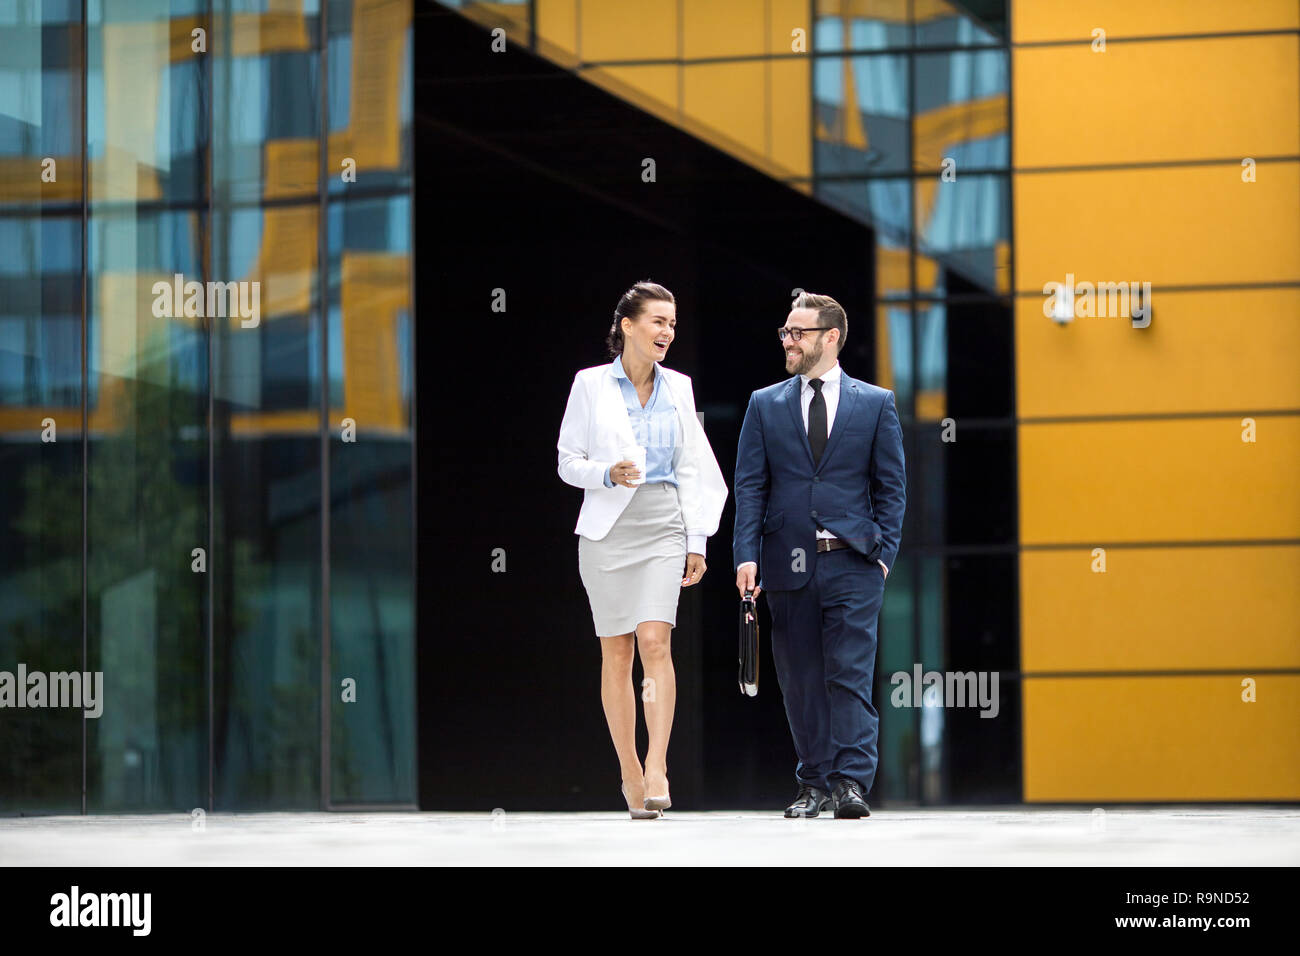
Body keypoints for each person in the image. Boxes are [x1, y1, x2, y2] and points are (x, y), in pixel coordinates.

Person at [557, 281, 728, 819]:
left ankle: (657, 765)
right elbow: (567, 461)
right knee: (617, 651)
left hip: (663, 521)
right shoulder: (589, 385)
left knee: (655, 642)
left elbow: (693, 466)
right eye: (658, 321)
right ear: (627, 325)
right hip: (608, 529)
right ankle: (629, 769)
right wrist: (605, 472)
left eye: (672, 323)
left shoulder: (680, 386)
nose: (667, 332)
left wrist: (697, 539)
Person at [733, 291, 906, 819]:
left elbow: (892, 488)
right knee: (801, 678)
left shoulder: (876, 403)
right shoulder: (764, 403)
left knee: (849, 674)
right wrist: (746, 554)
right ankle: (814, 783)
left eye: (798, 333)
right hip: (786, 562)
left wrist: (882, 557)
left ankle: (851, 782)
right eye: (786, 332)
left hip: (853, 561)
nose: (788, 340)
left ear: (830, 337)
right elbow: (750, 487)